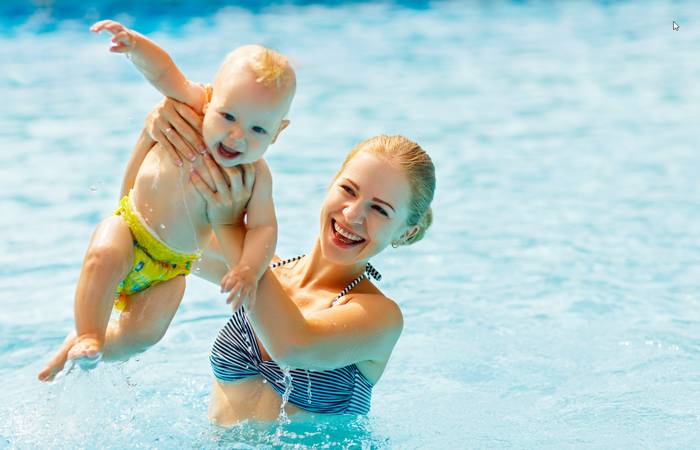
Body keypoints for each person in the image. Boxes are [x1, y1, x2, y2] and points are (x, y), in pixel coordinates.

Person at [142, 100, 436, 423]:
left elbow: (293, 345)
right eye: (348, 190)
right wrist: (153, 135)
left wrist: (228, 225)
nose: (353, 215)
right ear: (331, 183)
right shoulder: (262, 271)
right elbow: (150, 232)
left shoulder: (380, 317)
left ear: (406, 233)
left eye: (380, 210)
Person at [37, 21, 296, 381]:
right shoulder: (190, 109)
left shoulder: (257, 176)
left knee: (144, 335)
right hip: (130, 231)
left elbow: (265, 227)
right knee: (104, 255)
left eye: (257, 130)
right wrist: (134, 47)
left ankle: (88, 348)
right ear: (209, 98)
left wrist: (249, 269)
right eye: (228, 116)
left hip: (171, 268)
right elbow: (164, 70)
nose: (237, 136)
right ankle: (89, 332)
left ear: (278, 132)